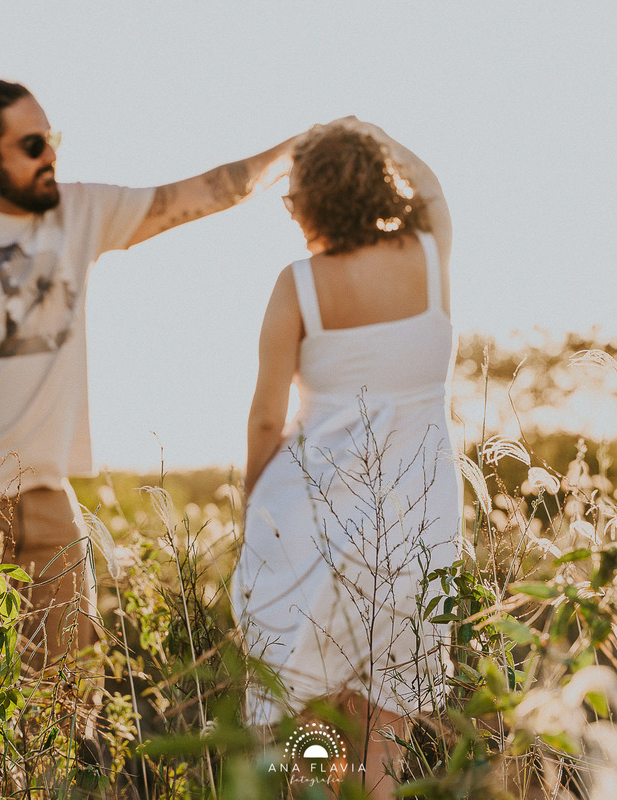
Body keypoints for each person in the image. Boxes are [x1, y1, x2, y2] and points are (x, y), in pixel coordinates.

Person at [0, 65, 303, 669]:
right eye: (32, 146)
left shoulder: (81, 211)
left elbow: (206, 192)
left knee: (71, 684)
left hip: (47, 495)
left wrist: (299, 147)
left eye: (52, 140)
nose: (50, 157)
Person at [231, 121, 462, 799]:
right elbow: (432, 189)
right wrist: (368, 132)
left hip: (311, 519)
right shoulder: (429, 256)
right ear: (378, 183)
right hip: (418, 519)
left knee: (310, 724)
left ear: (307, 201)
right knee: (384, 726)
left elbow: (267, 417)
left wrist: (255, 510)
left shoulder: (299, 284)